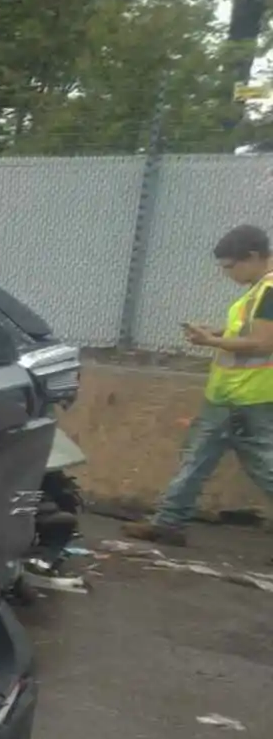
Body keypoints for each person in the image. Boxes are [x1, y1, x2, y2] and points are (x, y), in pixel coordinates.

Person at [123, 223, 273, 545]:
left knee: (264, 468)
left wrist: (210, 341)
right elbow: (250, 334)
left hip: (248, 397)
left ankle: (169, 521)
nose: (227, 274)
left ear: (253, 256)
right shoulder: (260, 289)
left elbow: (262, 343)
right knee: (197, 457)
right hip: (230, 396)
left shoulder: (269, 291)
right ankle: (168, 522)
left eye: (230, 267)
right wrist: (219, 334)